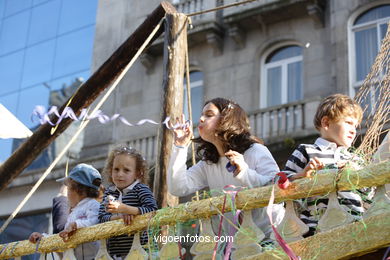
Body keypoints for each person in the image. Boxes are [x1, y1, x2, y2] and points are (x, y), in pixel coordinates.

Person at [167, 98, 284, 243]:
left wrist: (244, 173)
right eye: (202, 115)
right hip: (233, 247)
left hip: (270, 239)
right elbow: (178, 188)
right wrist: (179, 146)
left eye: (209, 115)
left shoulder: (256, 151)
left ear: (227, 120)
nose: (201, 119)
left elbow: (277, 189)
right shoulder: (208, 163)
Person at [283, 93, 371, 236]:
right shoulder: (307, 150)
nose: (354, 130)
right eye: (348, 122)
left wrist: (356, 174)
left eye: (356, 125)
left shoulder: (355, 158)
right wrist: (302, 175)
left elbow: (370, 195)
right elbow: (279, 181)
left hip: (357, 227)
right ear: (326, 123)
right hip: (316, 228)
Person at [29, 163, 102, 259]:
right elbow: (62, 238)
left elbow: (95, 223)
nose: (67, 194)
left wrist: (76, 225)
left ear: (77, 190)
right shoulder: (73, 213)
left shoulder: (93, 204)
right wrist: (43, 238)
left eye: (68, 189)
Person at [98, 145, 158, 259]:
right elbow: (101, 218)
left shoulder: (141, 189)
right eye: (116, 169)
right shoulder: (109, 193)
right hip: (117, 254)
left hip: (143, 251)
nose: (120, 174)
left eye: (126, 170)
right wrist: (120, 217)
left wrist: (127, 209)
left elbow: (153, 210)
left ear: (137, 173)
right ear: (110, 171)